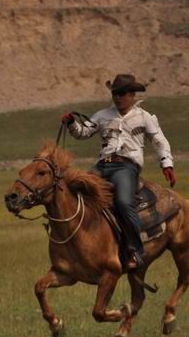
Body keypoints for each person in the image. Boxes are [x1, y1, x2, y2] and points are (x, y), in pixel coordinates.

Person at [62, 74, 176, 270]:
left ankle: (135, 249)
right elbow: (83, 133)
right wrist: (72, 123)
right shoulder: (102, 115)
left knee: (123, 202)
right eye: (115, 93)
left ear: (132, 94)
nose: (118, 97)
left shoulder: (144, 117)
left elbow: (159, 141)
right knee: (72, 189)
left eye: (122, 93)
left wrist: (167, 164)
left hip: (126, 167)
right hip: (102, 166)